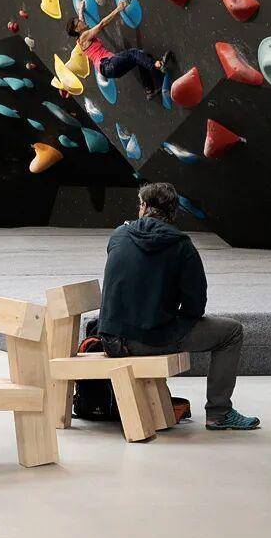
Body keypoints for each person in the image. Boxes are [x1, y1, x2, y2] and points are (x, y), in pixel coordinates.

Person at [98, 182, 260, 431]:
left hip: (111, 338)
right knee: (232, 332)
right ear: (174, 212)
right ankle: (219, 413)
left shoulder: (119, 235)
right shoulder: (181, 245)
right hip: (145, 338)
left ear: (144, 206)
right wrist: (173, 319)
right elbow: (196, 305)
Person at [66, 0, 173, 100]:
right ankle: (158, 65)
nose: (81, 21)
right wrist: (118, 9)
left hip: (109, 70)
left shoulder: (80, 40)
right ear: (77, 29)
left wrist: (80, 10)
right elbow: (102, 24)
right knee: (133, 53)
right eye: (78, 21)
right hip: (107, 64)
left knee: (141, 57)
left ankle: (149, 90)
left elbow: (80, 22)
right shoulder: (84, 36)